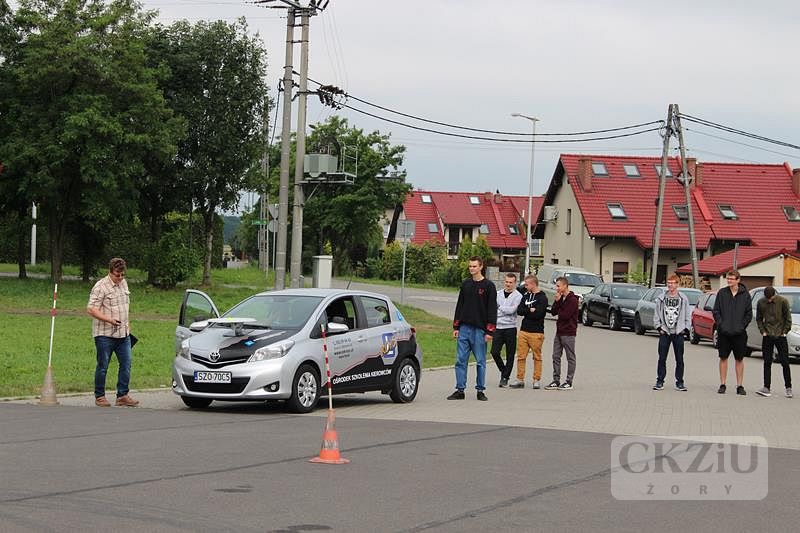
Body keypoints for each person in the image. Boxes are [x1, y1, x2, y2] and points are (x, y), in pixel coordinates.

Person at [87, 257, 139, 407]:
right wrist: (109, 320)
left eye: (123, 275)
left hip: (123, 334)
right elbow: (91, 309)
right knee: (103, 366)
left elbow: (125, 306)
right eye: (117, 275)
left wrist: (128, 325)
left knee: (126, 363)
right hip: (105, 334)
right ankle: (100, 396)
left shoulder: (124, 283)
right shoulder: (100, 286)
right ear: (110, 272)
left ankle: (122, 395)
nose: (120, 278)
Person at [447, 256, 497, 401]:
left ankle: (480, 390)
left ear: (481, 267)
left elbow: (492, 309)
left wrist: (490, 331)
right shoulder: (466, 284)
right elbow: (460, 305)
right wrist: (456, 326)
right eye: (470, 266)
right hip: (464, 328)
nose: (472, 269)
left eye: (474, 266)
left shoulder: (489, 286)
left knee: (480, 362)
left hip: (480, 330)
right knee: (460, 360)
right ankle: (460, 390)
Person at [712, 270, 753, 395]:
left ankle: (739, 385)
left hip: (739, 334)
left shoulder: (745, 295)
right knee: (723, 358)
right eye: (728, 279)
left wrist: (741, 326)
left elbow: (749, 314)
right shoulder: (722, 293)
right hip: (724, 333)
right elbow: (716, 311)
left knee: (739, 359)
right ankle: (722, 384)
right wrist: (721, 324)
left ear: (738, 280)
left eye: (731, 279)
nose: (729, 281)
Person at [652, 274, 692, 391]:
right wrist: (659, 328)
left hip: (678, 333)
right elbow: (657, 314)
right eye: (669, 283)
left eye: (673, 283)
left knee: (679, 359)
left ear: (677, 284)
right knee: (662, 358)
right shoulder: (661, 298)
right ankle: (660, 381)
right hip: (665, 332)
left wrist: (685, 329)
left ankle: (680, 382)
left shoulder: (683, 298)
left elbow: (687, 314)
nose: (670, 285)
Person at [755, 286, 793, 398]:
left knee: (785, 362)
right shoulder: (761, 302)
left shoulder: (783, 301)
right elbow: (759, 318)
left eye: (771, 298)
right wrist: (763, 331)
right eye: (767, 298)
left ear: (774, 295)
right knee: (767, 361)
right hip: (767, 335)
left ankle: (788, 387)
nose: (769, 300)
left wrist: (784, 332)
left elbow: (788, 318)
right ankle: (766, 387)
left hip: (780, 335)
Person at [511, 274, 548, 389]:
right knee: (521, 356)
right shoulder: (526, 296)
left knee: (537, 357)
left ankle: (536, 379)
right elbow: (520, 311)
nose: (525, 287)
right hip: (524, 331)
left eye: (527, 285)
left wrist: (532, 311)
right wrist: (530, 310)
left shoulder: (542, 298)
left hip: (537, 332)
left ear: (533, 284)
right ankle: (520, 379)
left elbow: (539, 314)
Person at [545, 276, 579, 390]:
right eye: (556, 286)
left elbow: (565, 315)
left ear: (565, 285)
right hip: (559, 332)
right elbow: (553, 312)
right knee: (555, 356)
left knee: (570, 357)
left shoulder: (573, 300)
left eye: (558, 286)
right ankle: (556, 380)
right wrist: (557, 301)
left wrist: (560, 304)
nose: (557, 288)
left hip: (569, 332)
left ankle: (569, 381)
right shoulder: (560, 298)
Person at [492, 273, 522, 387]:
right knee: (494, 352)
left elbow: (512, 310)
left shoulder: (518, 296)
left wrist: (499, 307)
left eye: (510, 282)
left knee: (510, 354)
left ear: (515, 283)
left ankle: (505, 377)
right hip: (498, 327)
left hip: (510, 328)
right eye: (506, 282)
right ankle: (504, 370)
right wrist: (502, 310)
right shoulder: (498, 294)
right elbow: (493, 309)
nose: (508, 284)